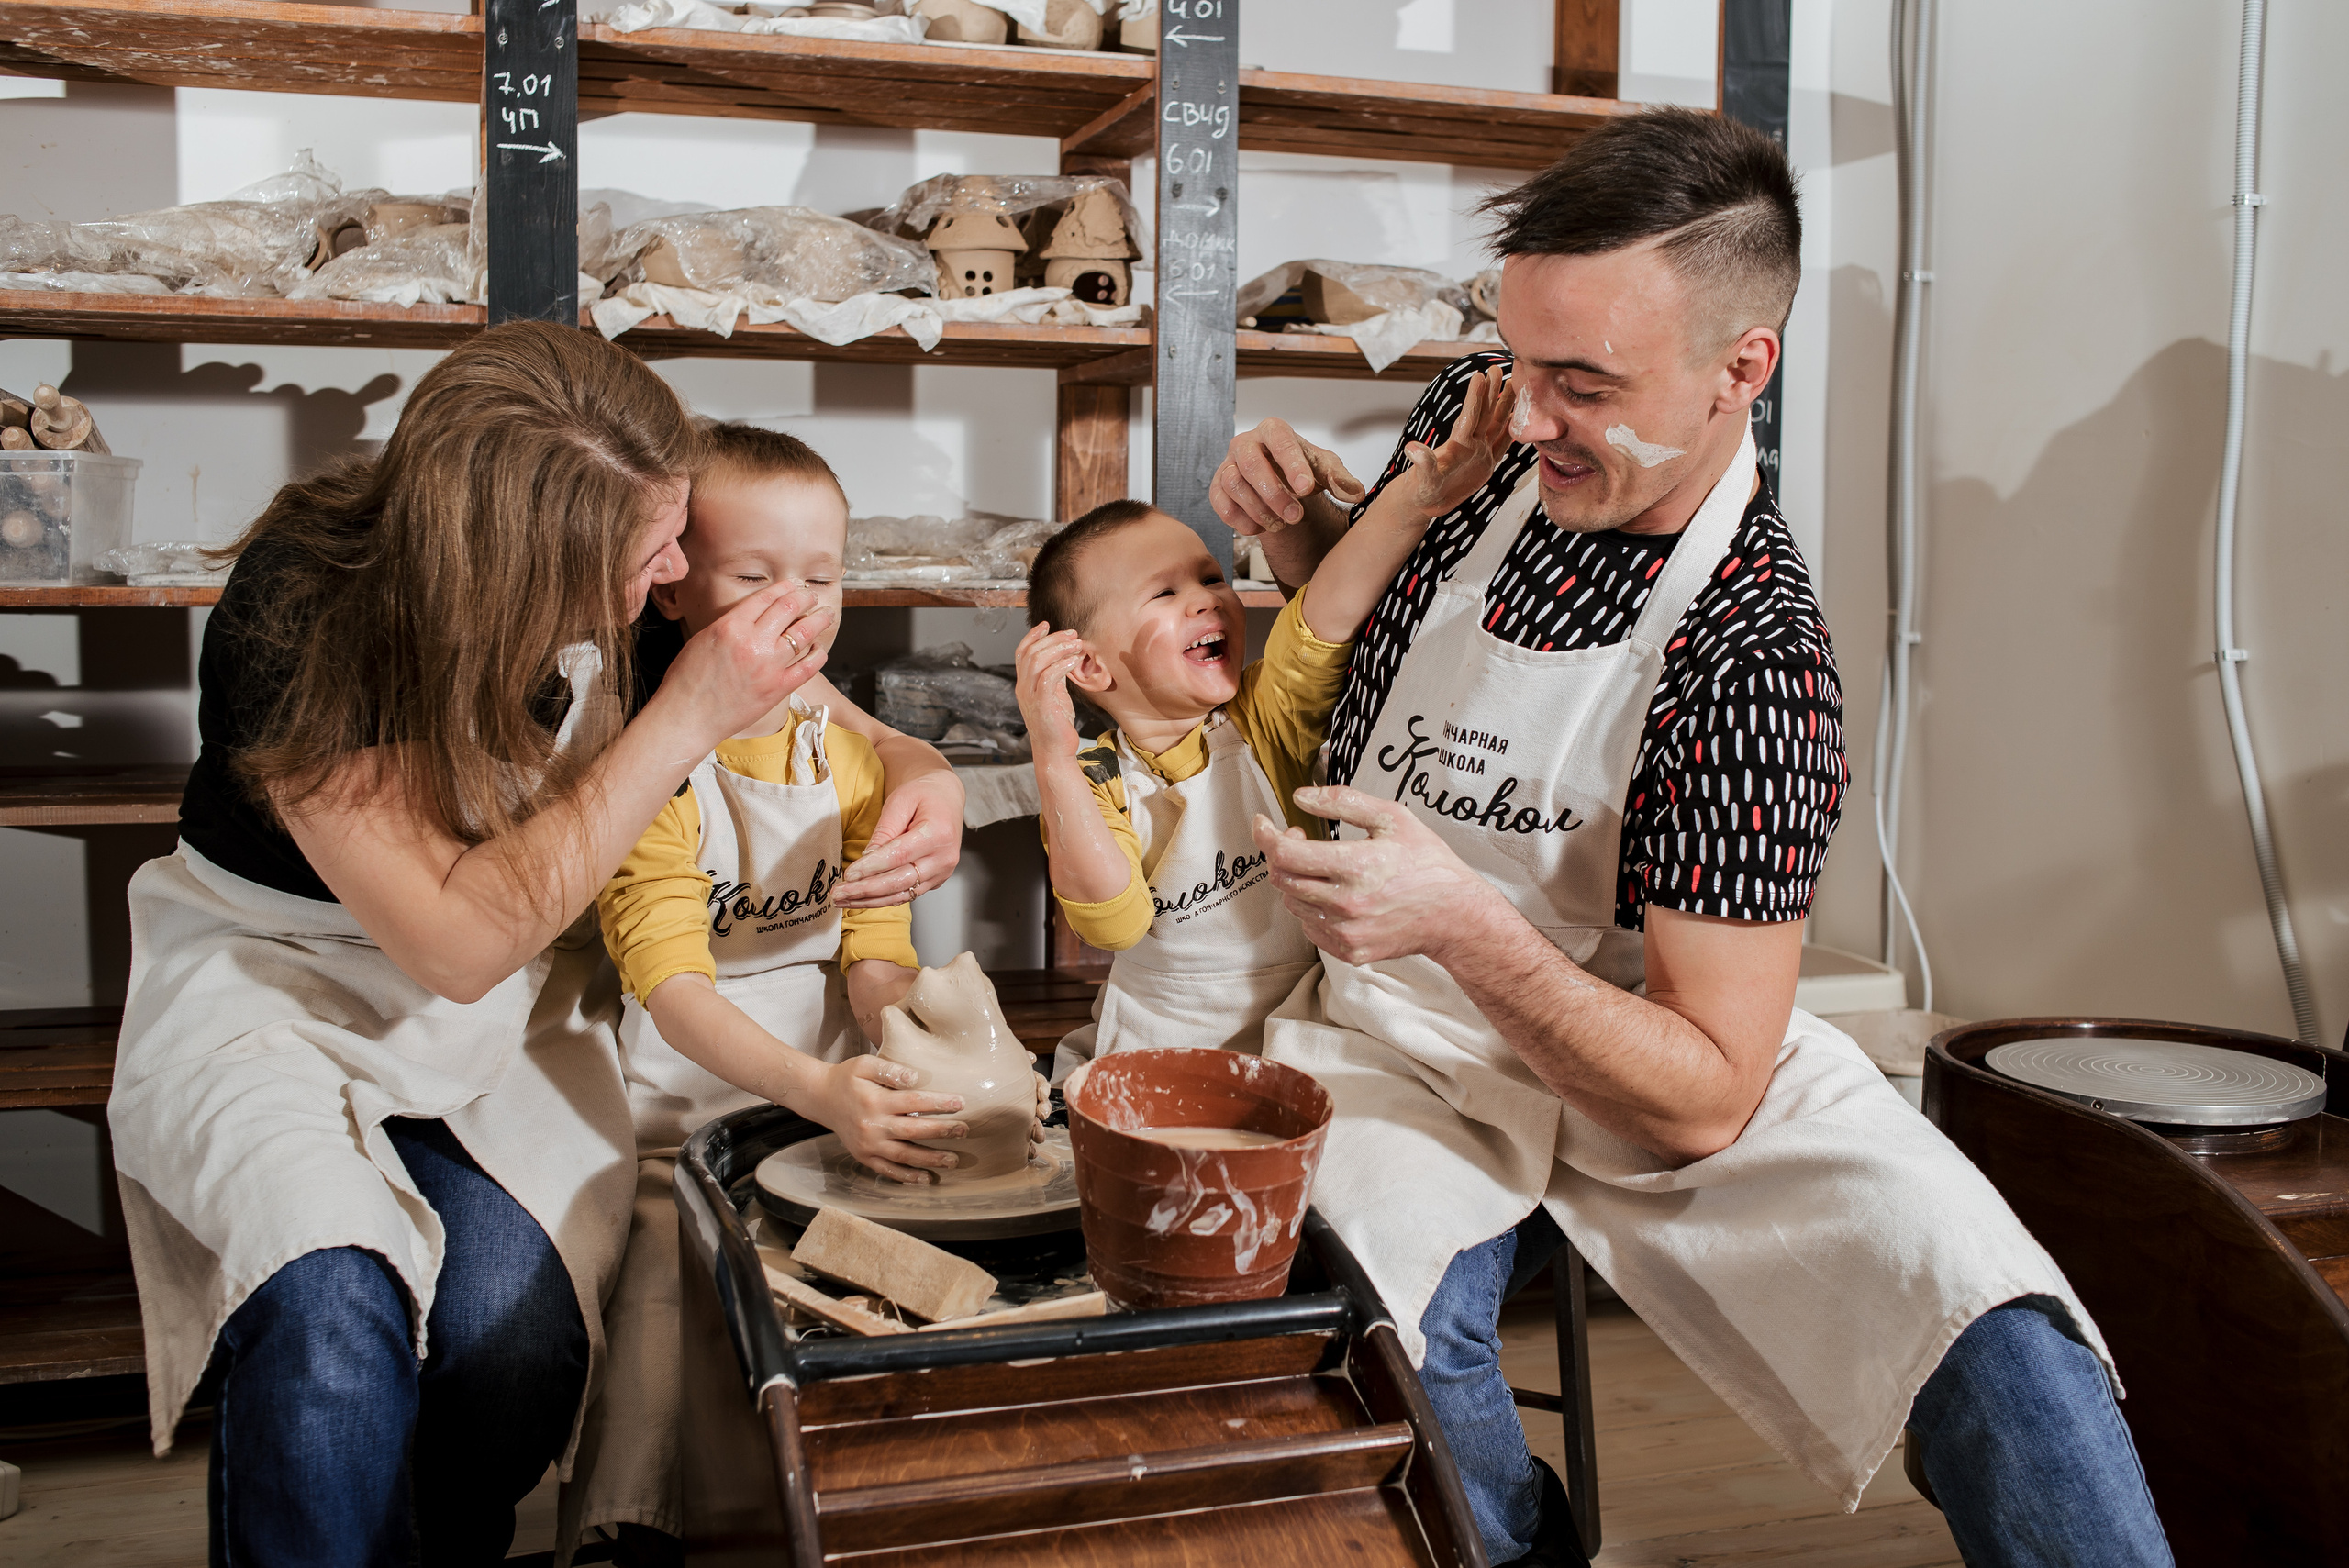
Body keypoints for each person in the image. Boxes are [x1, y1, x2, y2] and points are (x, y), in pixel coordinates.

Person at [1215, 110, 2172, 1568]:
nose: (1524, 416)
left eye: (1583, 384)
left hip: (1656, 1039)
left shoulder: (1753, 660)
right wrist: (1300, 539)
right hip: (1402, 1026)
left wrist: (1467, 916)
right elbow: (1380, 662)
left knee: (1993, 1319)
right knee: (1387, 1330)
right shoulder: (1479, 427)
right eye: (1519, 358)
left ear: (1743, 369)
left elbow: (1707, 1093)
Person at [109, 323, 965, 1567]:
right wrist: (678, 722)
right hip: (279, 979)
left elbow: (836, 712)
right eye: (650, 548)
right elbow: (454, 938)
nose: (678, 568)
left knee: (515, 1337)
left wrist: (922, 768)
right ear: (527, 559)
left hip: (503, 1004)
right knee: (328, 1307)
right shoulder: (301, 619)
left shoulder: (640, 582)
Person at [560, 422, 1037, 1562]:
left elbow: (870, 947)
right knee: (677, 1288)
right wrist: (821, 1088)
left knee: (872, 1269)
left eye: (821, 575)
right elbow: (668, 985)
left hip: (820, 1066)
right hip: (681, 1087)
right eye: (754, 576)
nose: (799, 604)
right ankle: (634, 1531)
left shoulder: (851, 753)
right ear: (673, 591)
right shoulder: (652, 761)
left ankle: (859, 1502)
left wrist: (904, 1042)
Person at [1015, 382, 1508, 1078]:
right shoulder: (1091, 780)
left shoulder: (1262, 718)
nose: (1207, 600)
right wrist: (1052, 757)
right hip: (1156, 1058)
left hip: (1300, 1044)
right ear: (1089, 665)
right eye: (1166, 592)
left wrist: (1413, 499)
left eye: (1211, 576)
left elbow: (1325, 611)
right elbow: (1112, 922)